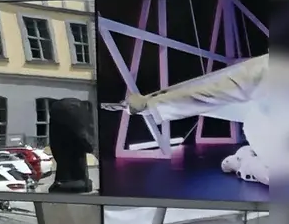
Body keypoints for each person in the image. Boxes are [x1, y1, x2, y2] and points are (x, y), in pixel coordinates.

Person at [105, 54, 279, 185]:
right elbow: (208, 93)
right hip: (268, 132)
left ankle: (246, 159)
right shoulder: (271, 67)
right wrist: (149, 104)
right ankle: (246, 162)